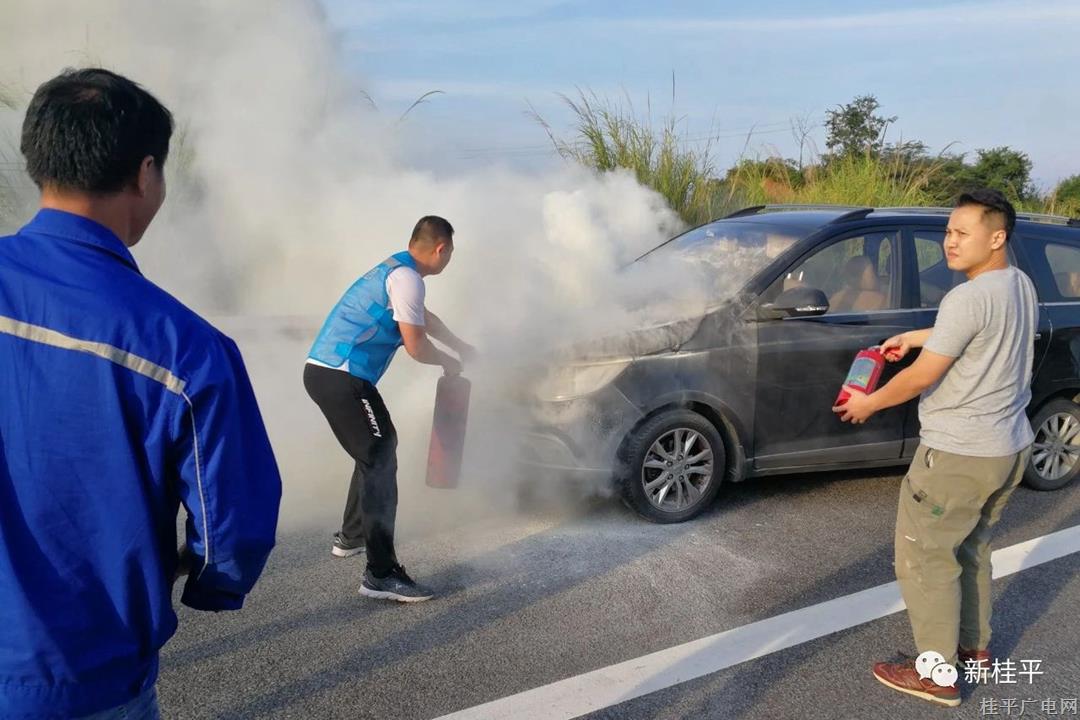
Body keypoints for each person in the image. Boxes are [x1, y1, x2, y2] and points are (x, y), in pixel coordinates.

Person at [0, 68, 282, 718]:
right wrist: (205, 580)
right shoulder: (185, 350)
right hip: (83, 683)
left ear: (37, 160)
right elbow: (231, 536)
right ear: (146, 173)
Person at [833, 189, 1037, 708]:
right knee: (971, 550)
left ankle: (936, 674)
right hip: (1007, 448)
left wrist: (869, 404)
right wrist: (919, 335)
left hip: (956, 456)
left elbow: (924, 376)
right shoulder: (1020, 284)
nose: (949, 242)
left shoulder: (966, 297)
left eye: (961, 233)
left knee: (925, 559)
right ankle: (974, 649)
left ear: (997, 237)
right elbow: (974, 333)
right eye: (948, 231)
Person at [304, 216, 474, 603]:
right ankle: (380, 574)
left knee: (375, 450)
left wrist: (459, 346)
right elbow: (416, 345)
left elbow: (424, 320)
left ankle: (352, 536)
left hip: (328, 373)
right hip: (341, 375)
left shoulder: (396, 270)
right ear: (441, 248)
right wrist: (448, 362)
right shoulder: (407, 278)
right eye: (451, 253)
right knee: (381, 455)